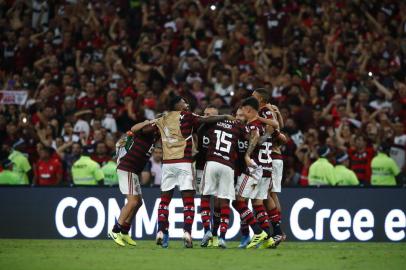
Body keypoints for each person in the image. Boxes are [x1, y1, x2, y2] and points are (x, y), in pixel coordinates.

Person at [154, 94, 233, 248]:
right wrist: (224, 116)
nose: (187, 104)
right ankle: (187, 233)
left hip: (167, 163)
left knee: (164, 200)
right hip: (184, 162)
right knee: (188, 201)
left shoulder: (161, 119)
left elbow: (150, 131)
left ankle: (161, 231)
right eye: (184, 101)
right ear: (177, 104)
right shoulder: (187, 116)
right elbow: (205, 120)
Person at [234, 97, 278, 249]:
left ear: (248, 110)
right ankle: (269, 238)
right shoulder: (264, 125)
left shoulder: (253, 126)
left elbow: (255, 137)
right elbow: (273, 128)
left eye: (243, 111)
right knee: (258, 204)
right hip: (266, 168)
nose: (242, 114)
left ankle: (258, 232)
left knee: (238, 201)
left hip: (254, 169)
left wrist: (247, 154)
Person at [199, 110, 246, 248]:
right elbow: (249, 137)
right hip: (228, 165)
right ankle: (222, 238)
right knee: (225, 202)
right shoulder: (238, 126)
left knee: (206, 196)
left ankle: (207, 230)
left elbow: (203, 121)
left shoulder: (214, 122)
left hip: (212, 161)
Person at [108, 120, 157, 247]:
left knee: (139, 202)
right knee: (133, 201)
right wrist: (149, 121)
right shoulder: (140, 133)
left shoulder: (154, 136)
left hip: (133, 171)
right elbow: (133, 128)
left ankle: (124, 231)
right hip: (127, 168)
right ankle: (115, 230)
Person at [252, 88, 287, 245]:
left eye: (253, 96)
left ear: (260, 99)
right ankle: (277, 231)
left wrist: (262, 140)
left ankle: (278, 231)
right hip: (270, 157)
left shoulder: (265, 111)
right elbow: (279, 127)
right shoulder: (267, 110)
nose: (251, 98)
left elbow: (275, 130)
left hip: (272, 157)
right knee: (267, 195)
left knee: (269, 195)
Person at [196, 105, 222, 248]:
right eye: (204, 113)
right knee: (205, 198)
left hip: (217, 169)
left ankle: (215, 234)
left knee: (218, 202)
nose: (205, 116)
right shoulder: (199, 128)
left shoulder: (222, 130)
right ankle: (207, 231)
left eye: (209, 114)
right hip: (201, 169)